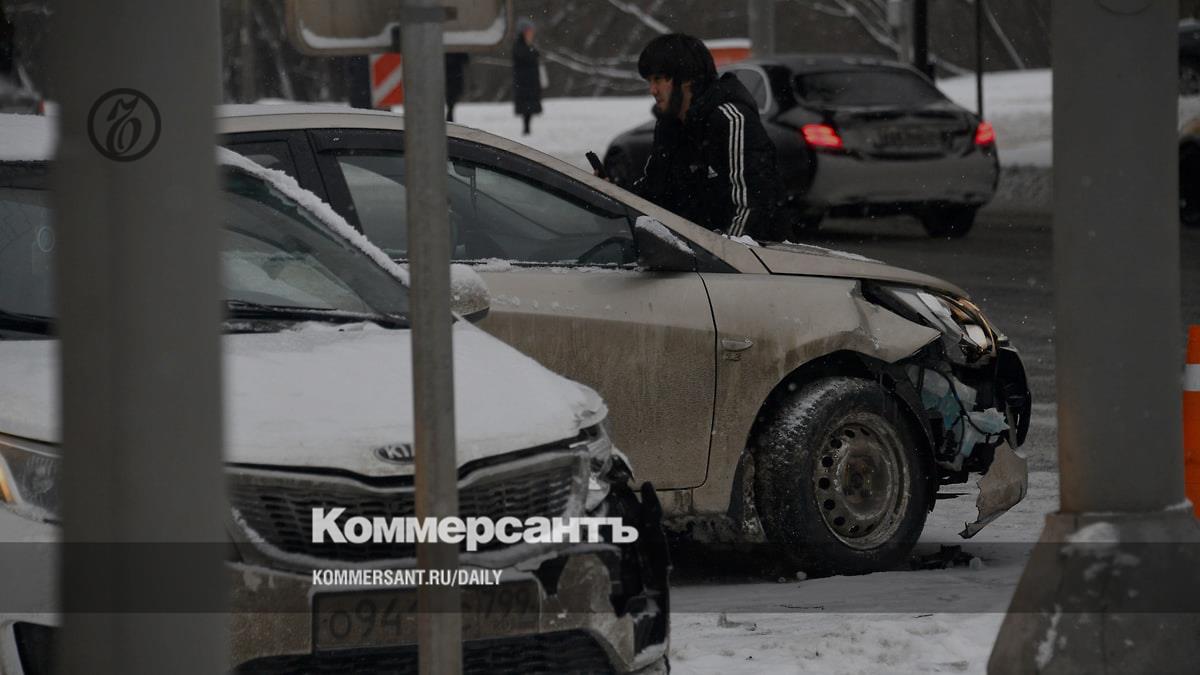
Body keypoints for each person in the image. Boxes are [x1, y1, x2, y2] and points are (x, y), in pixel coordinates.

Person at [630, 33, 782, 240]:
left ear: (686, 79)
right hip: (695, 254)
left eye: (659, 79)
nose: (653, 90)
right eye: (649, 81)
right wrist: (611, 193)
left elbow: (751, 207)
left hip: (755, 256)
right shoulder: (670, 125)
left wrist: (717, 255)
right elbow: (655, 192)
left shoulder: (730, 119)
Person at [511, 17, 543, 136]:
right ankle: (526, 128)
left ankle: (527, 127)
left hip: (530, 82)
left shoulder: (529, 46)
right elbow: (526, 58)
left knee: (529, 106)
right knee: (526, 105)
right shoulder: (520, 46)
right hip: (524, 83)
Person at [445, 52, 469, 122]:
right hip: (452, 76)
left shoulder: (458, 51)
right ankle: (449, 116)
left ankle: (450, 115)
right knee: (451, 99)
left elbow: (466, 60)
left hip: (455, 76)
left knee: (452, 98)